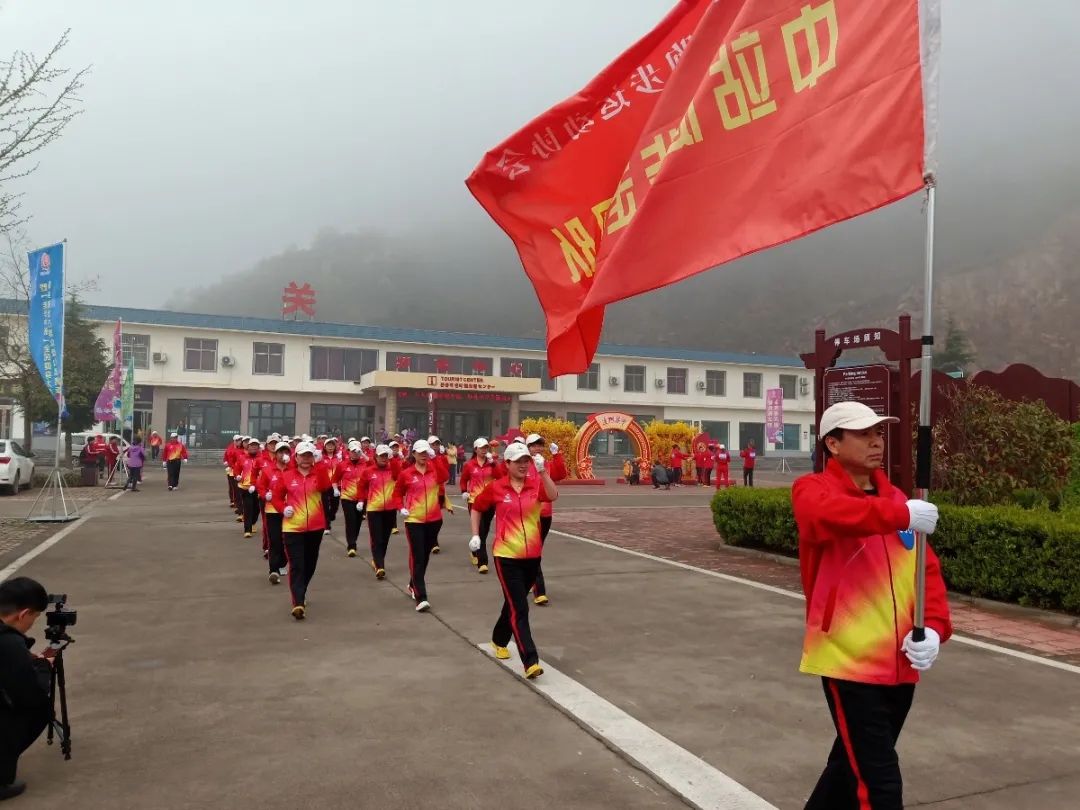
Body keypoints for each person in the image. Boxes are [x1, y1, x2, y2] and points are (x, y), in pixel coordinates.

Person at [793, 401, 951, 810]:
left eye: (879, 433)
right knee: (879, 785)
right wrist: (898, 514)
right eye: (863, 434)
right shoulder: (814, 490)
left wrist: (933, 627)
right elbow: (824, 517)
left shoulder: (898, 499)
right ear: (832, 443)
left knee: (849, 768)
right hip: (848, 661)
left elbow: (925, 572)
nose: (876, 441)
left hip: (901, 661)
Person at [470, 442, 558, 679]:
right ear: (506, 464)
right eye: (517, 461)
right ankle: (530, 660)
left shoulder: (535, 485)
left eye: (525, 460)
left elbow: (553, 495)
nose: (522, 465)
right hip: (506, 556)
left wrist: (542, 471)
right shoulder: (497, 488)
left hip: (532, 556)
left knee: (512, 602)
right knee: (520, 606)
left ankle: (498, 638)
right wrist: (476, 535)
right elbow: (477, 508)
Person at [0, 577, 53, 800]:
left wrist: (24, 654)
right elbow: (30, 695)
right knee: (40, 708)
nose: (32, 624)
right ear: (23, 614)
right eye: (34, 617)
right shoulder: (8, 644)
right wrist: (43, 666)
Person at [269, 441, 332, 620]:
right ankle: (298, 602)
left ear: (313, 457)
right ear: (295, 457)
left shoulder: (318, 473)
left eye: (309, 455)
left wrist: (319, 465)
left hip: (315, 526)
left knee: (310, 563)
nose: (305, 458)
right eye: (302, 455)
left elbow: (324, 487)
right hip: (292, 527)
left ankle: (301, 590)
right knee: (297, 565)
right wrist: (283, 509)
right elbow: (276, 498)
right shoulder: (286, 476)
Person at [393, 439, 449, 612]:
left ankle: (412, 583)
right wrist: (400, 507)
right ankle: (421, 596)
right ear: (414, 454)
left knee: (424, 556)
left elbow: (445, 477)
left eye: (427, 452)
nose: (424, 455)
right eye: (421, 452)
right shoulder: (407, 474)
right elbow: (397, 493)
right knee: (417, 556)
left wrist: (436, 458)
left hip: (434, 519)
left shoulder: (434, 470)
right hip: (414, 520)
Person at [524, 433, 566, 605]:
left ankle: (527, 579)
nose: (538, 448)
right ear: (527, 448)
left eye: (540, 445)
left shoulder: (546, 464)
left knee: (534, 551)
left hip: (545, 514)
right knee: (534, 552)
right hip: (528, 514)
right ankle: (539, 590)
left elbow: (561, 474)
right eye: (534, 445)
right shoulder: (523, 465)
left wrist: (557, 455)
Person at [459, 437, 501, 574]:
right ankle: (482, 562)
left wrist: (493, 463)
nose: (484, 450)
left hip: (490, 500)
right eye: (481, 448)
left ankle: (475, 550)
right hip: (474, 501)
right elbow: (464, 479)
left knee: (485, 529)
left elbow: (500, 477)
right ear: (475, 449)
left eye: (486, 448)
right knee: (480, 529)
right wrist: (464, 491)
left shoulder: (491, 463)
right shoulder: (470, 465)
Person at [357, 444, 398, 579]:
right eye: (382, 456)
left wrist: (393, 459)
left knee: (385, 538)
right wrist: (360, 501)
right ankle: (380, 565)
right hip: (374, 509)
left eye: (386, 456)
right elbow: (361, 486)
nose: (384, 458)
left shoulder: (392, 469)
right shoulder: (368, 471)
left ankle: (378, 560)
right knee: (377, 537)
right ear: (376, 457)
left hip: (390, 509)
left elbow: (399, 474)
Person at [257, 442, 291, 585]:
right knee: (275, 539)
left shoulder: (294, 470)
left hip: (291, 510)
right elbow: (261, 486)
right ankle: (274, 570)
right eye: (280, 452)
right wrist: (266, 495)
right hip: (272, 510)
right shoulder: (268, 470)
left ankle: (283, 562)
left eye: (286, 452)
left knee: (287, 540)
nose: (283, 455)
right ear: (275, 455)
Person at [338, 441, 369, 557]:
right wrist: (336, 489)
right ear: (348, 452)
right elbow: (335, 478)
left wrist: (363, 455)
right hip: (347, 497)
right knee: (350, 521)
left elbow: (373, 465)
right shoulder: (342, 465)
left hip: (362, 498)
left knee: (357, 522)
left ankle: (353, 539)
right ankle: (351, 545)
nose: (355, 453)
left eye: (357, 451)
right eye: (353, 451)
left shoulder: (365, 464)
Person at [238, 438, 263, 538]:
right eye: (251, 445)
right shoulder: (242, 458)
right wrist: (237, 476)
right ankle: (247, 530)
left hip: (259, 488)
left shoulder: (262, 459)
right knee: (248, 508)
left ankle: (252, 523)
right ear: (248, 447)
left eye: (255, 445)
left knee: (257, 509)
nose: (253, 447)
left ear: (258, 447)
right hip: (246, 487)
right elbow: (237, 469)